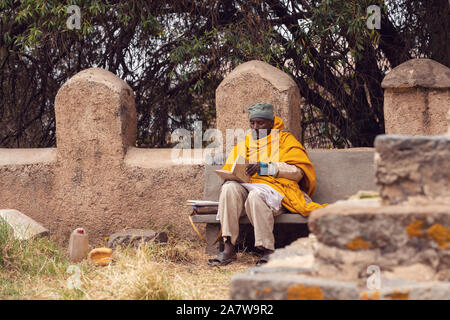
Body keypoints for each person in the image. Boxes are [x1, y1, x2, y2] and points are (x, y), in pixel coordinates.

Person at [208, 102, 327, 266]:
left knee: (255, 196)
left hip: (277, 195)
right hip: (247, 191)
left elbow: (298, 172)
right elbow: (232, 166)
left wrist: (267, 168)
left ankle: (268, 250)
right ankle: (228, 248)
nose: (255, 127)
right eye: (252, 123)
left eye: (260, 123)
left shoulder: (285, 140)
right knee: (229, 188)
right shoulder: (245, 143)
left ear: (271, 123)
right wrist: (232, 176)